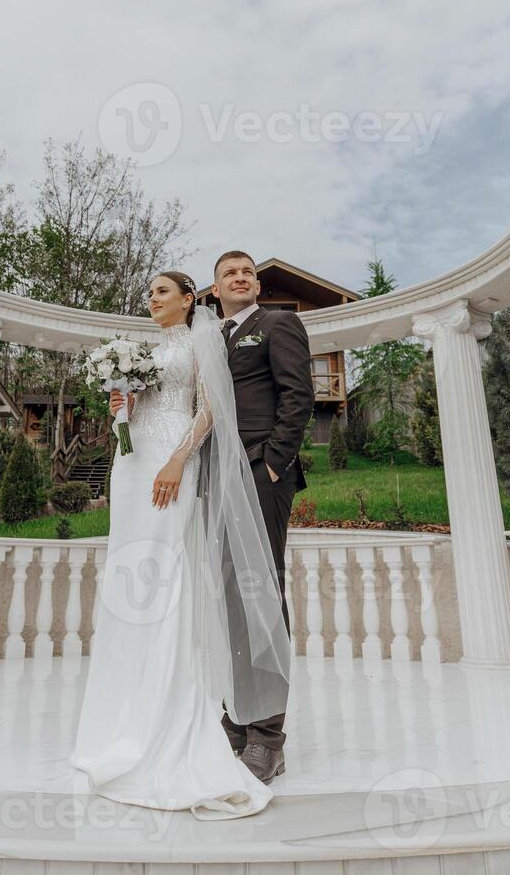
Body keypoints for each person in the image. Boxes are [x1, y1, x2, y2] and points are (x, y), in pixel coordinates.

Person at [69, 271, 292, 820]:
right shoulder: (145, 348)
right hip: (133, 461)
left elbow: (214, 408)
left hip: (173, 460)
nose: (152, 299)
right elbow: (134, 411)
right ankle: (126, 716)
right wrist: (120, 404)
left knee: (165, 576)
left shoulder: (201, 339)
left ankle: (175, 713)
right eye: (148, 293)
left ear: (191, 300)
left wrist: (177, 460)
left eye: (162, 291)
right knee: (132, 577)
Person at [207, 250, 314, 783]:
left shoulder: (278, 322)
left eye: (248, 271)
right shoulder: (211, 337)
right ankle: (238, 714)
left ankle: (269, 734)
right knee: (228, 595)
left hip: (259, 473)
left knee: (261, 591)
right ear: (215, 287)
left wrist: (274, 463)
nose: (242, 277)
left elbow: (299, 395)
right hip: (217, 479)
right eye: (231, 272)